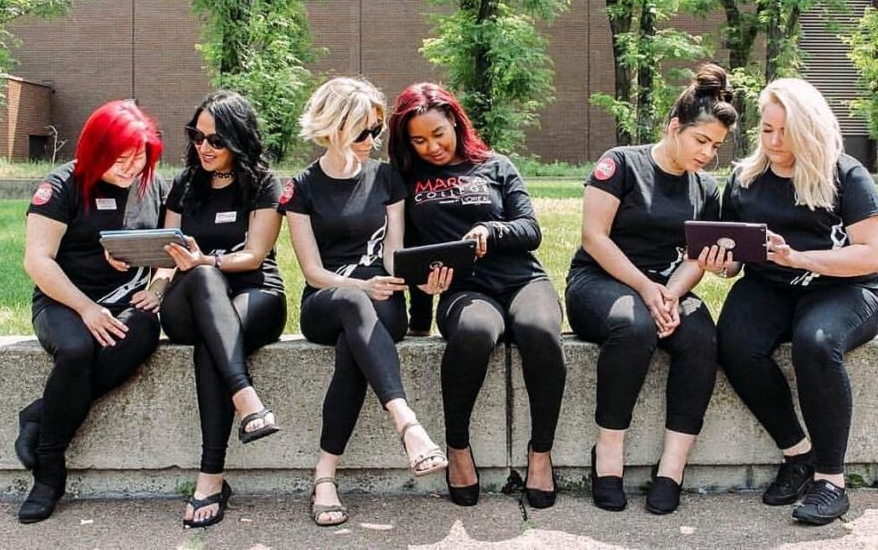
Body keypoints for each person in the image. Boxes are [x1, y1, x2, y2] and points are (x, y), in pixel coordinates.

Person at [564, 64, 737, 515]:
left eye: (716, 147)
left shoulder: (705, 187)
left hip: (665, 289)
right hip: (600, 282)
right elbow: (594, 237)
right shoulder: (621, 162)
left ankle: (671, 469)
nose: (707, 154)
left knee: (702, 337)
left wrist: (672, 294)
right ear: (674, 127)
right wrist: (646, 288)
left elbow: (697, 258)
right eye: (701, 141)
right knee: (634, 327)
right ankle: (608, 456)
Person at [715, 78, 878, 525]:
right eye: (766, 130)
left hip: (845, 288)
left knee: (816, 342)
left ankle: (831, 482)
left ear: (808, 128)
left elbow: (873, 254)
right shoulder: (744, 179)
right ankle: (799, 454)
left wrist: (799, 257)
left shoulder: (846, 174)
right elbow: (735, 258)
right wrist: (723, 263)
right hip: (770, 285)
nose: (773, 141)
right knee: (734, 343)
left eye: (784, 131)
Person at [387, 83, 565, 510]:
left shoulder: (496, 166)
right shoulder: (406, 181)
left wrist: (492, 230)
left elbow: (531, 230)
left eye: (438, 134)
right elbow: (409, 252)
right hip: (463, 290)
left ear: (455, 121)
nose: (432, 146)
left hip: (522, 279)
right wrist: (421, 306)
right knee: (475, 332)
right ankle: (458, 448)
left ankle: (541, 453)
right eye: (419, 140)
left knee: (539, 330)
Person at [281, 77, 448, 527]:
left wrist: (417, 284)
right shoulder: (301, 188)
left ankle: (325, 477)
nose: (372, 142)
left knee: (352, 349)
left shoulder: (387, 178)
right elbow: (313, 272)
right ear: (334, 128)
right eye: (362, 132)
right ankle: (407, 422)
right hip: (326, 301)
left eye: (376, 130)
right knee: (355, 307)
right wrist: (361, 287)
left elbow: (393, 256)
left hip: (383, 301)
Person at [16, 100, 167, 523]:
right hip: (64, 299)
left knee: (140, 335)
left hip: (127, 296)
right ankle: (49, 471)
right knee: (78, 351)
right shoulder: (61, 184)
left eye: (139, 158)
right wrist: (85, 308)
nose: (130, 168)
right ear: (94, 151)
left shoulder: (150, 184)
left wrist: (157, 284)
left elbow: (170, 248)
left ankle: (40, 413)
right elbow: (38, 260)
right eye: (120, 159)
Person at [148, 90, 287, 529]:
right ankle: (247, 400)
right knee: (206, 284)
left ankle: (211, 476)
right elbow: (164, 252)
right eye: (196, 136)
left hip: (255, 292)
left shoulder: (264, 183)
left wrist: (206, 259)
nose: (203, 148)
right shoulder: (185, 184)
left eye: (215, 140)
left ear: (239, 141)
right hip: (190, 298)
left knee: (217, 339)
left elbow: (254, 254)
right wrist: (156, 286)